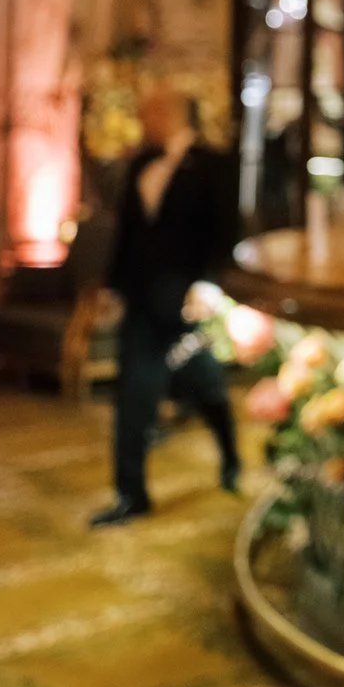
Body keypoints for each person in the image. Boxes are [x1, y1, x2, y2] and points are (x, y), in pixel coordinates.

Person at [90, 84, 241, 528]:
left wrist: (209, 286)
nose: (143, 117)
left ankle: (231, 457)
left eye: (151, 109)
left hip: (185, 303)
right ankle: (131, 494)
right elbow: (129, 236)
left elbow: (224, 231)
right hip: (141, 302)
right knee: (134, 397)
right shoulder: (140, 163)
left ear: (176, 114)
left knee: (207, 386)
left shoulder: (212, 165)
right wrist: (112, 288)